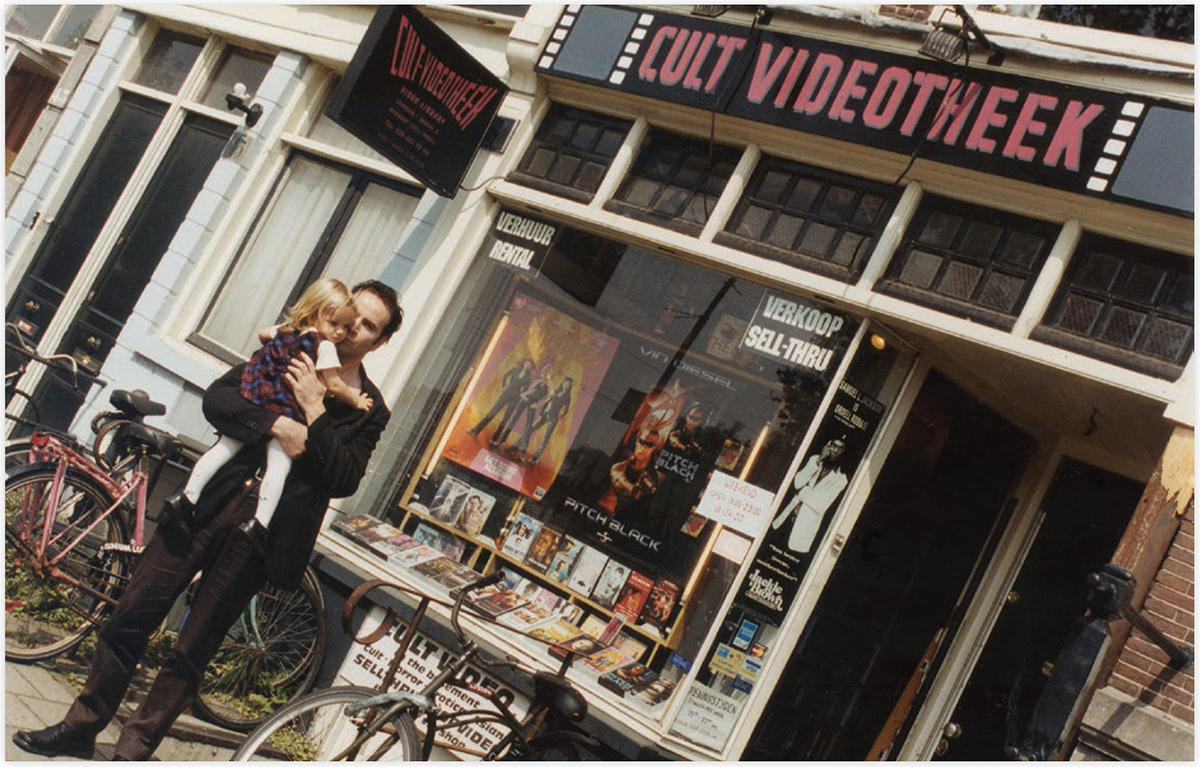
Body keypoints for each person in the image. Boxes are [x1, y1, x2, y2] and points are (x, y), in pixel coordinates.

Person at [12, 280, 403, 762]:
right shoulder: (295, 344)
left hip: (260, 531)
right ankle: (81, 725)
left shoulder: (370, 408)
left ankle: (133, 749)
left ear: (381, 341)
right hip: (204, 505)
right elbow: (220, 398)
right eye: (353, 315)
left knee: (193, 647)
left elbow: (343, 476)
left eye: (369, 326)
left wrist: (314, 410)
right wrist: (275, 424)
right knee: (130, 614)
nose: (354, 329)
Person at [163, 278, 372, 551]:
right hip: (286, 407)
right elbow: (333, 384)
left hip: (257, 394)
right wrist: (355, 399)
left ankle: (187, 496)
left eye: (345, 327)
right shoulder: (325, 346)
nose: (341, 333)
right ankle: (259, 524)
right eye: (335, 324)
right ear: (314, 315)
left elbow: (263, 334)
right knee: (279, 467)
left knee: (225, 447)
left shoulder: (287, 330)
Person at [770, 437, 848, 552]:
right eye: (833, 446)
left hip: (804, 527)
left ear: (843, 453)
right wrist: (820, 459)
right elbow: (797, 483)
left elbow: (821, 506)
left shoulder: (841, 479)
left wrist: (803, 492)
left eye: (840, 449)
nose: (835, 451)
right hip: (786, 518)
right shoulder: (815, 460)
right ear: (828, 446)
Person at [466, 358, 534, 443]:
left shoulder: (528, 378)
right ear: (524, 363)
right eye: (527, 363)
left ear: (530, 367)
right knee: (492, 412)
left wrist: (520, 396)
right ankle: (475, 430)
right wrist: (504, 385)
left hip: (515, 398)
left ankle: (494, 439)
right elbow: (505, 376)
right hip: (506, 394)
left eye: (529, 365)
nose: (527, 366)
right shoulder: (515, 370)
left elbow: (525, 390)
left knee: (505, 419)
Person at [511, 375, 573, 463]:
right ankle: (517, 445)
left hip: (553, 418)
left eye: (568, 385)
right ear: (563, 383)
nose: (566, 385)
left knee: (546, 439)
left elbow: (566, 410)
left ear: (570, 387)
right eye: (565, 383)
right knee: (530, 428)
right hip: (545, 414)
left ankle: (535, 457)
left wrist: (561, 415)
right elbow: (547, 402)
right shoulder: (555, 391)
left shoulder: (567, 397)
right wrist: (540, 414)